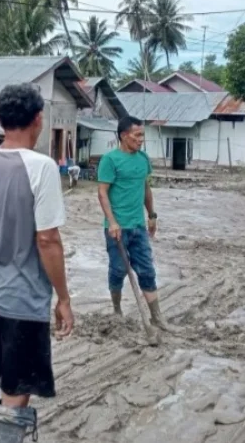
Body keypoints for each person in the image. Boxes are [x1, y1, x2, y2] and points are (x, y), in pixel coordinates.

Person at [0, 83, 74, 443]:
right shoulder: (42, 168)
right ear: (39, 120)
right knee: (14, 396)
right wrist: (64, 299)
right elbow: (48, 239)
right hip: (22, 303)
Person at [97, 115, 168, 329]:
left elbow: (146, 188)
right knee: (118, 270)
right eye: (137, 135)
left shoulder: (143, 159)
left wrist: (152, 215)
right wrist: (112, 223)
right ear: (124, 136)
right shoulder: (110, 160)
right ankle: (117, 311)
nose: (141, 139)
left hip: (138, 227)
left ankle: (157, 317)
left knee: (147, 271)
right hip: (118, 229)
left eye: (142, 135)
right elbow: (102, 193)